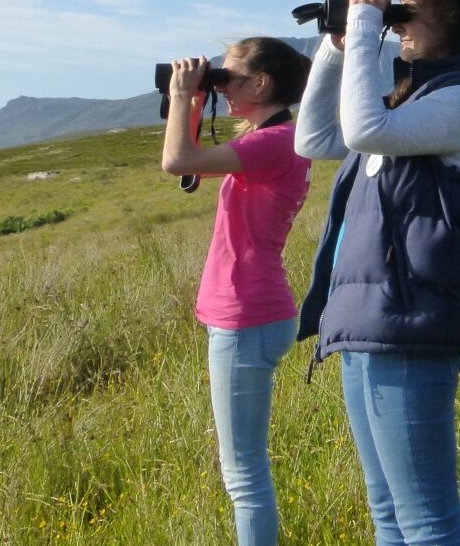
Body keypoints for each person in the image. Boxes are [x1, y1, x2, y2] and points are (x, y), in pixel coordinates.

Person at [294, 0, 460, 546]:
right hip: (372, 323)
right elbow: (315, 138)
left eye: (407, 7)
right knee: (387, 511)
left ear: (454, 15)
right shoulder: (410, 102)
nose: (397, 19)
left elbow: (365, 131)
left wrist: (366, 31)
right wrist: (337, 49)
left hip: (412, 324)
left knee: (428, 521)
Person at [159, 37, 314, 546]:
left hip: (246, 317)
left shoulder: (273, 142)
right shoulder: (271, 138)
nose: (223, 84)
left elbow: (177, 162)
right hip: (256, 313)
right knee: (245, 471)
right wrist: (198, 102)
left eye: (230, 76)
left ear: (261, 83)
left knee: (243, 477)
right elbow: (195, 166)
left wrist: (183, 95)